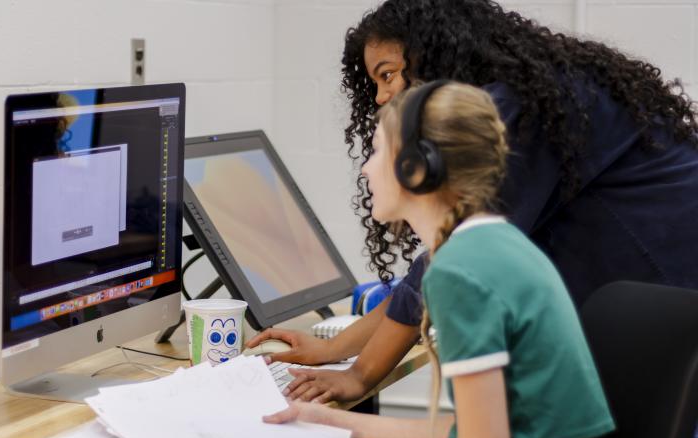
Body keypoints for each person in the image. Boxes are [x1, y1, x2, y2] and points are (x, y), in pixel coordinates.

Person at [245, 0, 698, 404]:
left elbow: (444, 258)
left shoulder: (519, 113)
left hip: (675, 321)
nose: (381, 97)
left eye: (387, 74)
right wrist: (336, 350)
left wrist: (361, 374)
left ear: (435, 53)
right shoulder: (535, 92)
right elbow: (435, 264)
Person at [263, 81, 615, 438]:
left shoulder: (462, 271)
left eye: (376, 152)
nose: (365, 170)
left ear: (415, 168)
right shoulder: (491, 242)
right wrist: (323, 418)